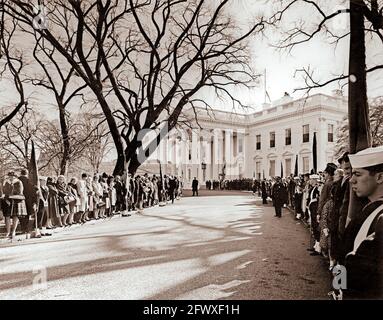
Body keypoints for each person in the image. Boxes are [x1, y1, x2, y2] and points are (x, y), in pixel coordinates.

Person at [340, 146, 383, 299]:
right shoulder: (369, 209)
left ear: (379, 177)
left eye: (358, 174)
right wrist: (338, 286)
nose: (351, 180)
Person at [2, 171, 27, 239]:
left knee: (15, 216)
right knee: (7, 216)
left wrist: (11, 195)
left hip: (17, 200)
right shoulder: (6, 182)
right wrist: (6, 197)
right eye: (10, 176)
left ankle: (13, 231)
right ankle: (8, 232)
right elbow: (3, 191)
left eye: (13, 176)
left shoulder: (19, 182)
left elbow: (20, 191)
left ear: (15, 176)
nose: (11, 177)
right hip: (7, 201)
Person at [18, 169, 38, 239]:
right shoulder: (29, 181)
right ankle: (26, 229)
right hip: (28, 200)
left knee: (21, 215)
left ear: (21, 173)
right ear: (27, 173)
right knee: (27, 215)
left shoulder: (18, 180)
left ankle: (23, 228)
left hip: (19, 199)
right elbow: (34, 190)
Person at [308, 174, 321, 255]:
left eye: (312, 179)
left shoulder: (318, 189)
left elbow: (318, 200)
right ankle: (315, 246)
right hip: (312, 209)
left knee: (316, 228)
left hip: (315, 209)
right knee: (314, 227)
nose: (310, 181)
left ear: (315, 180)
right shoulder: (313, 188)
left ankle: (318, 248)